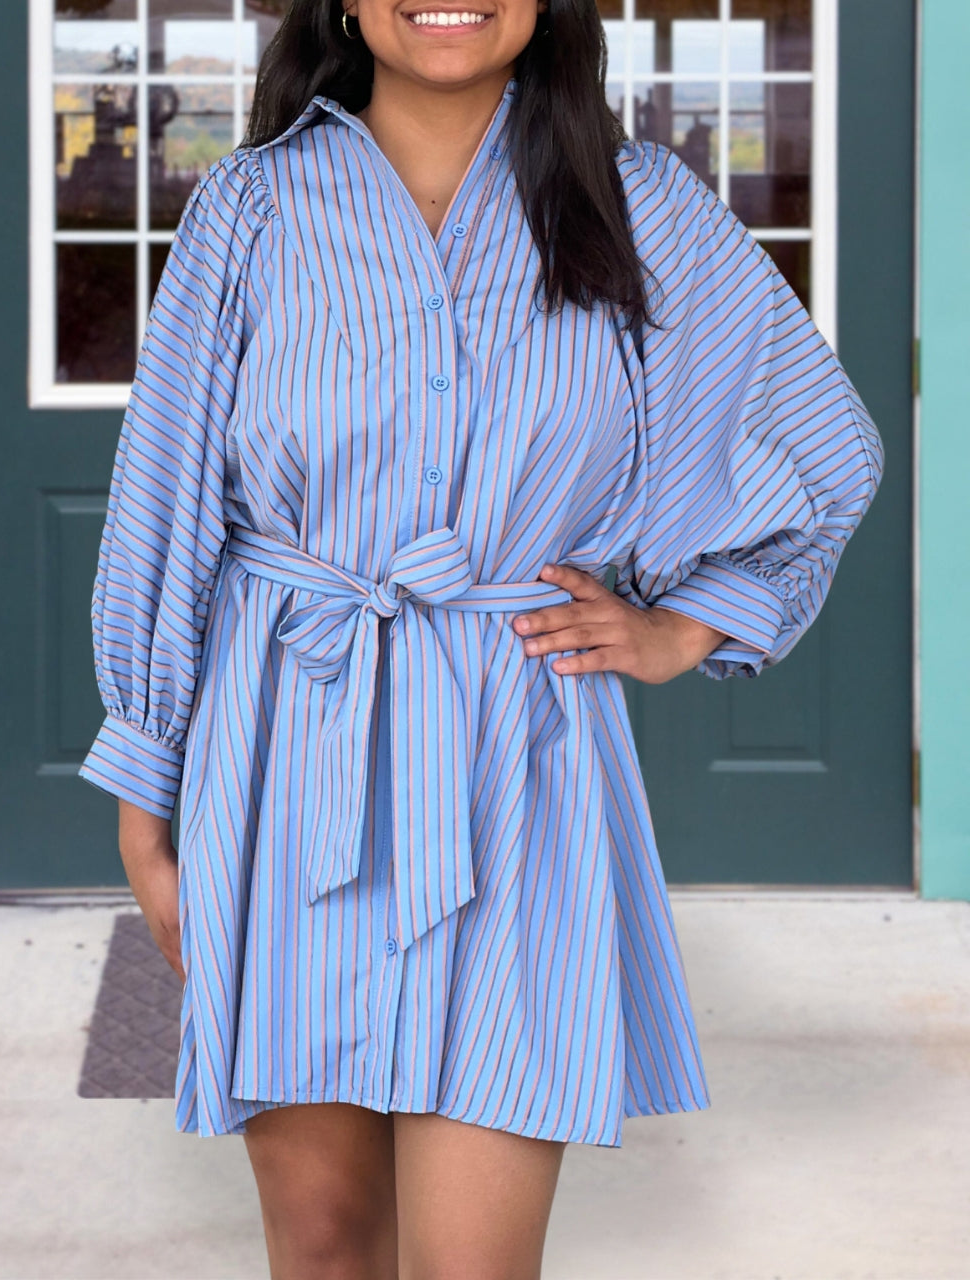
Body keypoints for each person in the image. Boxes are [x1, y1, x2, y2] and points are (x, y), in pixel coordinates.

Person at [78, 1, 883, 1277]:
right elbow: (165, 501)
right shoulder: (251, 207)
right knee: (325, 1244)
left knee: (474, 1263)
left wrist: (684, 628)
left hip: (520, 758)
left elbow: (819, 445)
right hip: (288, 747)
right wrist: (145, 798)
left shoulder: (640, 207)